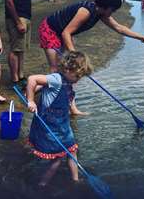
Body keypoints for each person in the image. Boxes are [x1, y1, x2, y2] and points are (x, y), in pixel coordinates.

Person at [38, 0, 144, 114]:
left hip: (64, 32)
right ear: (107, 7)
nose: (113, 12)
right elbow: (66, 32)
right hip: (50, 30)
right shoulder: (86, 11)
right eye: (113, 9)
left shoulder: (101, 13)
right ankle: (46, 102)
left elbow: (119, 28)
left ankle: (71, 107)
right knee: (56, 70)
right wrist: (75, 56)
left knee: (70, 72)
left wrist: (141, 37)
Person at [26, 51, 93, 186]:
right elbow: (32, 79)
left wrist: (38, 88)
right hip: (50, 127)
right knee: (56, 160)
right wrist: (31, 100)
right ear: (67, 70)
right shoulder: (56, 79)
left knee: (72, 150)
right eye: (77, 76)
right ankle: (42, 184)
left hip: (63, 125)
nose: (78, 79)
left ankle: (75, 179)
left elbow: (42, 86)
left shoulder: (67, 81)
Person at [2, 0, 35, 88]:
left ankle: (21, 76)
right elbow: (9, 2)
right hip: (17, 19)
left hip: (25, 17)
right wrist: (18, 22)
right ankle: (15, 80)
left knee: (21, 49)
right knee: (15, 49)